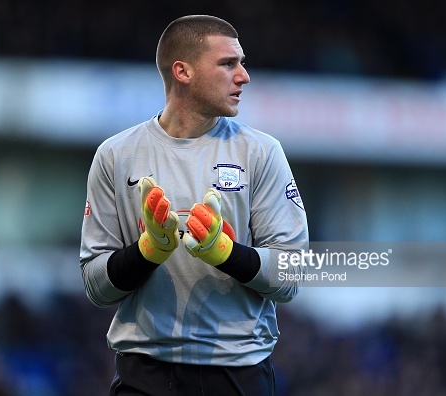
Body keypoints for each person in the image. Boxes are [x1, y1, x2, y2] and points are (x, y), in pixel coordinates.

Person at [80, 14, 309, 395]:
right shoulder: (115, 155)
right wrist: (148, 251)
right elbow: (95, 286)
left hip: (238, 373)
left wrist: (224, 251)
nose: (244, 76)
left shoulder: (262, 152)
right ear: (182, 71)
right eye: (227, 63)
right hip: (144, 373)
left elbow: (292, 276)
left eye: (242, 63)